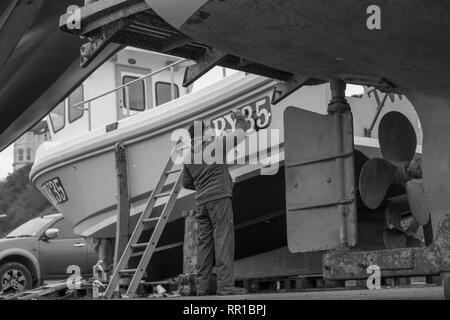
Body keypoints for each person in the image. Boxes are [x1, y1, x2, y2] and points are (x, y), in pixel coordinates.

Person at [182, 110, 250, 296]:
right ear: (204, 132)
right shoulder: (216, 144)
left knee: (204, 244)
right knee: (223, 240)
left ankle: (202, 287)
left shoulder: (188, 157)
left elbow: (186, 183)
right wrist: (240, 119)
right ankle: (225, 286)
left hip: (201, 203)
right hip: (219, 198)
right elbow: (241, 134)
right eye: (208, 128)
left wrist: (202, 184)